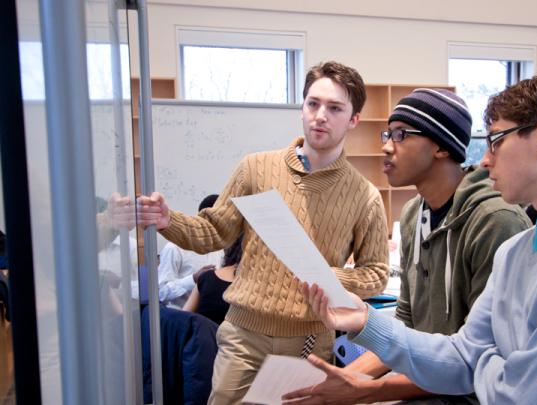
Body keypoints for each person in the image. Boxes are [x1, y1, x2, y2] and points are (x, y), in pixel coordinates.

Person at [301, 67, 537, 404]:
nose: (485, 159)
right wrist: (365, 320)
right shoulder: (516, 250)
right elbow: (461, 358)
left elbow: (525, 398)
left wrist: (487, 363)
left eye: (496, 140)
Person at [137, 61, 389, 403]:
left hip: (310, 341)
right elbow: (213, 231)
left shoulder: (365, 195)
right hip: (244, 335)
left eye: (334, 108)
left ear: (354, 119)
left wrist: (329, 279)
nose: (320, 115)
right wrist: (168, 220)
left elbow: (376, 273)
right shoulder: (256, 169)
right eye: (313, 104)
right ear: (302, 108)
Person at [285, 89, 531, 404]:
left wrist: (365, 391)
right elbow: (405, 325)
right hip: (425, 382)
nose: (387, 146)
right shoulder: (415, 214)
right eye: (388, 133)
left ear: (442, 146)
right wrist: (342, 380)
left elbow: (483, 358)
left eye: (401, 134)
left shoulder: (495, 222)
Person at [157, 194, 224, 309]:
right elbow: (161, 293)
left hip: (210, 315)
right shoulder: (173, 248)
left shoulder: (222, 249)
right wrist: (193, 279)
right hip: (182, 317)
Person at [184, 236, 243, 325]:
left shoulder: (207, 276)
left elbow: (184, 317)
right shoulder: (173, 249)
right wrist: (192, 278)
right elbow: (162, 291)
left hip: (201, 335)